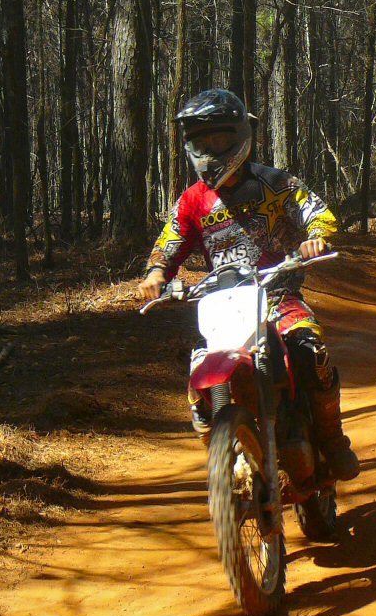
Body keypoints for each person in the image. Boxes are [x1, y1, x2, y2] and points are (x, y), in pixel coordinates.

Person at [137, 88, 360, 481]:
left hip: (277, 294)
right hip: (224, 305)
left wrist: (316, 237)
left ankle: (332, 440)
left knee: (310, 350)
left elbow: (317, 211)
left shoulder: (274, 183)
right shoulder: (192, 201)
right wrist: (156, 274)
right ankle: (221, 445)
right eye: (200, 142)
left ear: (239, 136)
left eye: (218, 140)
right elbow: (168, 244)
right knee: (200, 373)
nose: (209, 150)